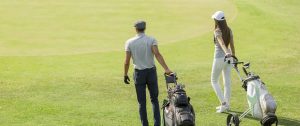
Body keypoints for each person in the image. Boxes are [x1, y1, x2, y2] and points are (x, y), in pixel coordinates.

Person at [123, 20, 172, 126]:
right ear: (145, 28)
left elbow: (127, 62)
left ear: (136, 29)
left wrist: (125, 74)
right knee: (154, 100)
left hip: (138, 74)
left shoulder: (129, 42)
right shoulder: (151, 40)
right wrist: (166, 69)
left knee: (141, 102)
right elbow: (157, 54)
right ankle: (157, 124)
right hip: (151, 73)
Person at [210, 11, 237, 113]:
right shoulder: (229, 30)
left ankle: (224, 103)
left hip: (220, 58)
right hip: (228, 58)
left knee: (214, 81)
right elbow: (232, 46)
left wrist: (227, 53)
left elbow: (221, 42)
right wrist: (232, 56)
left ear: (217, 21)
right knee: (227, 82)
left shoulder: (217, 30)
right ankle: (227, 105)